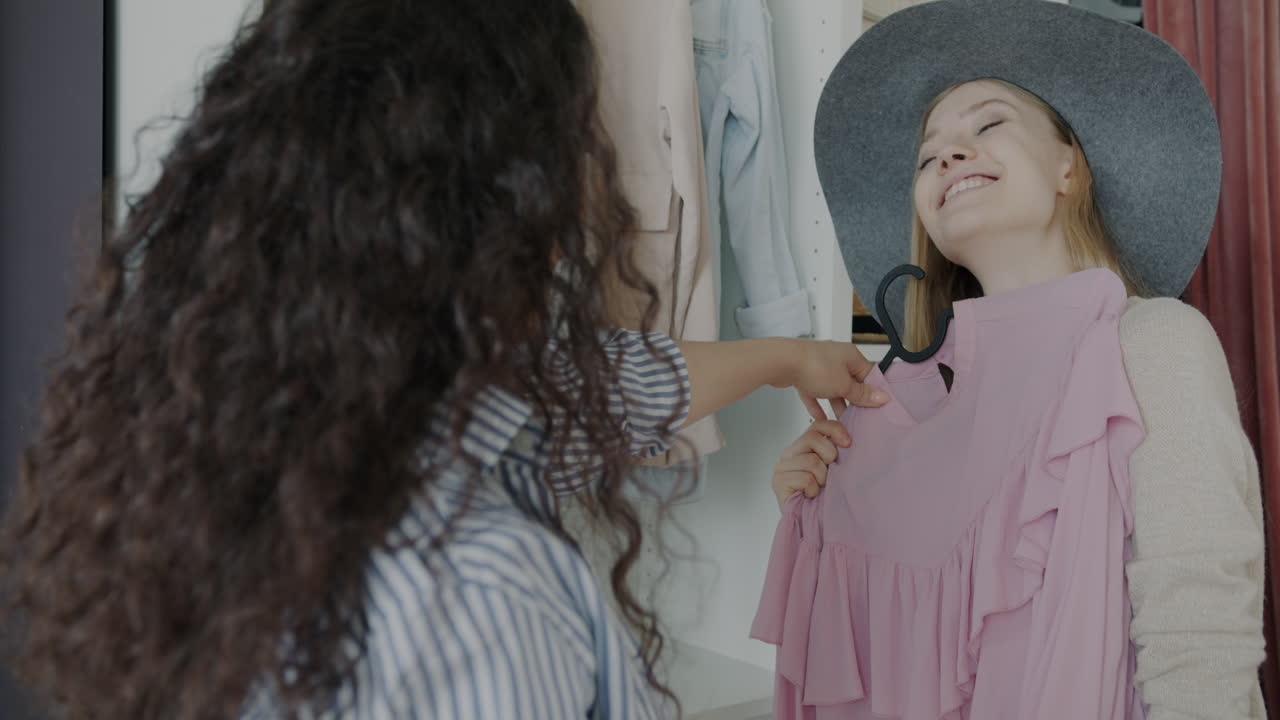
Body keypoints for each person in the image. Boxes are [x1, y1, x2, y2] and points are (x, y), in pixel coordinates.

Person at [0, 1, 887, 718]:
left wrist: (787, 355)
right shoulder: (474, 596)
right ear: (516, 195)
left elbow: (593, 382)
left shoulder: (268, 446)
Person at [769, 2, 1265, 718]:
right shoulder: (906, 408)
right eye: (927, 152)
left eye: (989, 123)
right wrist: (815, 512)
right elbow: (878, 649)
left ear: (1070, 166)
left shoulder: (1153, 342)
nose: (948, 153)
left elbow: (1200, 626)